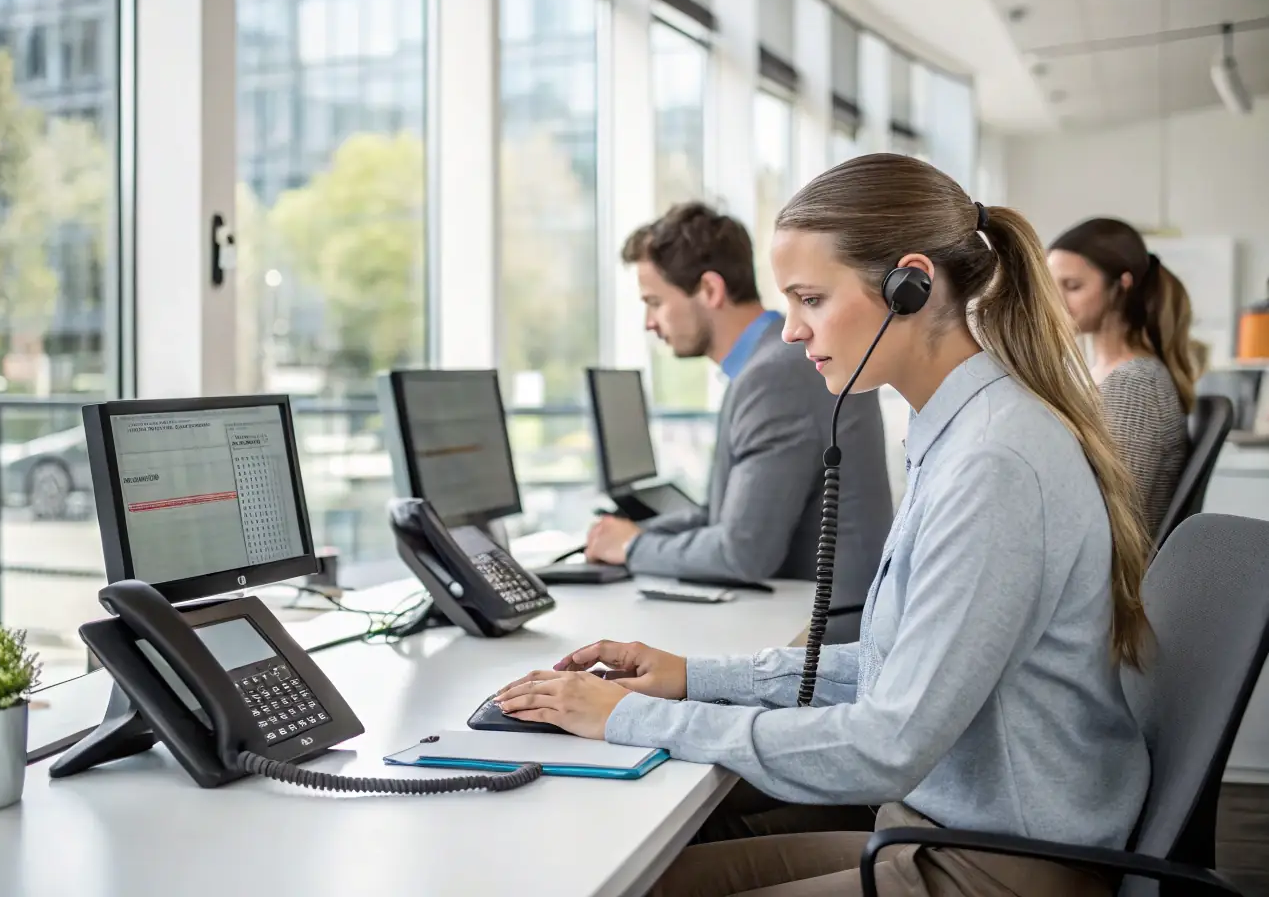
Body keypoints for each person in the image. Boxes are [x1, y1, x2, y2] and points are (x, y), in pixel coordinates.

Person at [495, 155, 1152, 896]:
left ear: (910, 285)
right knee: (647, 875)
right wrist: (689, 677)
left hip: (996, 866)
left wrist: (632, 717)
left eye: (810, 298)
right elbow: (889, 667)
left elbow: (887, 742)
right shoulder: (963, 429)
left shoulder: (993, 462)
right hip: (938, 826)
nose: (790, 331)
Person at [589, 201, 894, 587]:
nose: (649, 323)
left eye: (655, 303)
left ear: (710, 290)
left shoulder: (776, 376)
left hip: (823, 618)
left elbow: (743, 552)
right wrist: (632, 535)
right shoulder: (773, 361)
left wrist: (632, 548)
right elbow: (723, 517)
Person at [1048, 217, 1203, 537]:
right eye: (1051, 287)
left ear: (1122, 284)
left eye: (1073, 286)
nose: (1056, 300)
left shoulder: (1134, 383)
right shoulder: (1103, 374)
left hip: (1113, 564)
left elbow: (1115, 517)